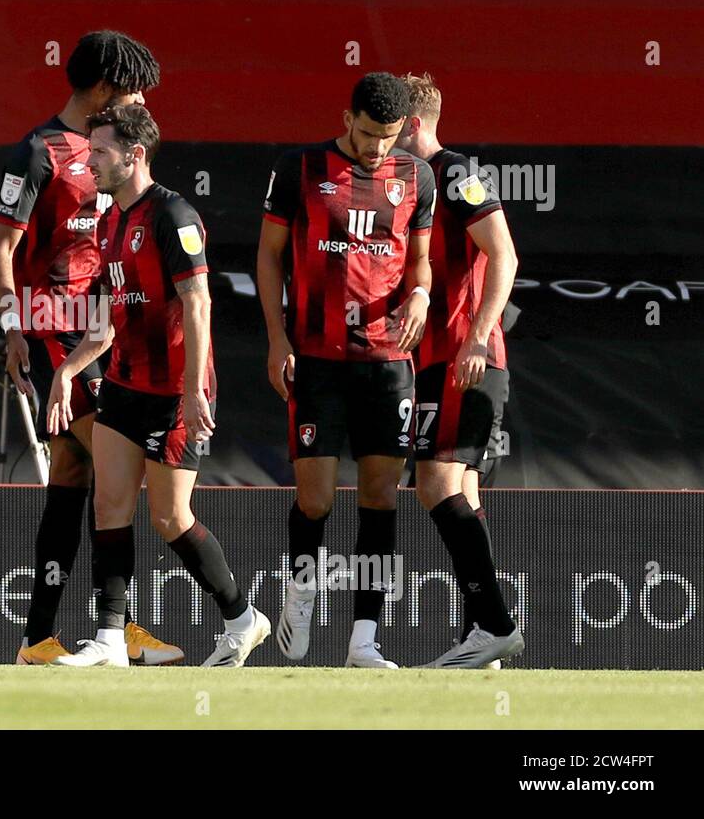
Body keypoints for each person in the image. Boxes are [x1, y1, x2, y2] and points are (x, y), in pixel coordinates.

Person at [47, 104, 270, 668]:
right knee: (108, 507)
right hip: (122, 382)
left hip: (175, 390)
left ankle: (243, 618)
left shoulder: (173, 214)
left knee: (170, 517)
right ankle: (108, 641)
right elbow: (110, 318)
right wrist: (69, 368)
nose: (89, 161)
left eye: (100, 151)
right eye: (88, 150)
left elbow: (198, 303)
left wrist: (195, 391)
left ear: (135, 154)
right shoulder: (107, 220)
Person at [0, 30, 181, 666]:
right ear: (102, 91)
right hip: (49, 328)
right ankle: (106, 630)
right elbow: (0, 249)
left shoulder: (114, 151)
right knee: (105, 470)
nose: (142, 99)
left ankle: (46, 637)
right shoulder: (38, 152)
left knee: (81, 476)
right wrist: (14, 328)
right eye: (132, 89)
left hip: (103, 329)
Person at [257, 72, 434, 668]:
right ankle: (300, 595)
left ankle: (364, 639)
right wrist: (277, 336)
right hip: (316, 358)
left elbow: (423, 264)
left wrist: (421, 296)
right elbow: (268, 257)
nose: (376, 148)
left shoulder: (418, 177)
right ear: (346, 117)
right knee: (315, 501)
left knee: (381, 497)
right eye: (366, 134)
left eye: (387, 138)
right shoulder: (300, 167)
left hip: (388, 362)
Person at [396, 72, 524, 668]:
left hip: (461, 356)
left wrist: (475, 337)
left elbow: (504, 253)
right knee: (462, 492)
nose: (386, 139)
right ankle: (486, 639)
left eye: (395, 125)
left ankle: (496, 626)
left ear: (415, 124)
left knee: (436, 486)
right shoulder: (410, 183)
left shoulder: (454, 173)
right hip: (435, 358)